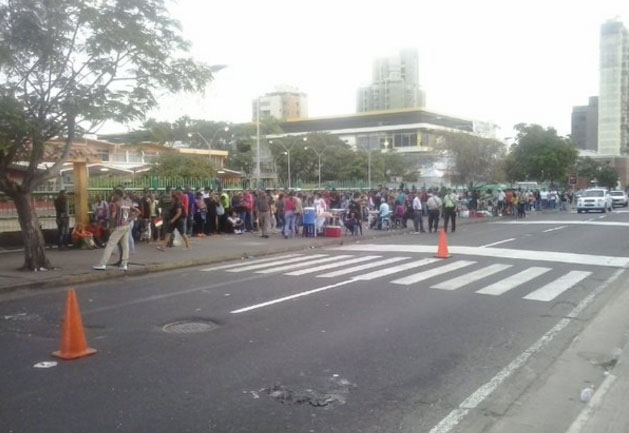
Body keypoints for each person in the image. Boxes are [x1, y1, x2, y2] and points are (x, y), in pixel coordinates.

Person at [93, 189, 138, 271]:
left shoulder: (116, 204)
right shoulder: (128, 203)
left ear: (118, 195)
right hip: (126, 225)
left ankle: (103, 263)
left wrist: (111, 227)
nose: (113, 196)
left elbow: (113, 217)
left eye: (114, 194)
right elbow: (138, 211)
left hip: (119, 226)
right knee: (125, 245)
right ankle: (124, 264)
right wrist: (130, 219)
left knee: (110, 244)